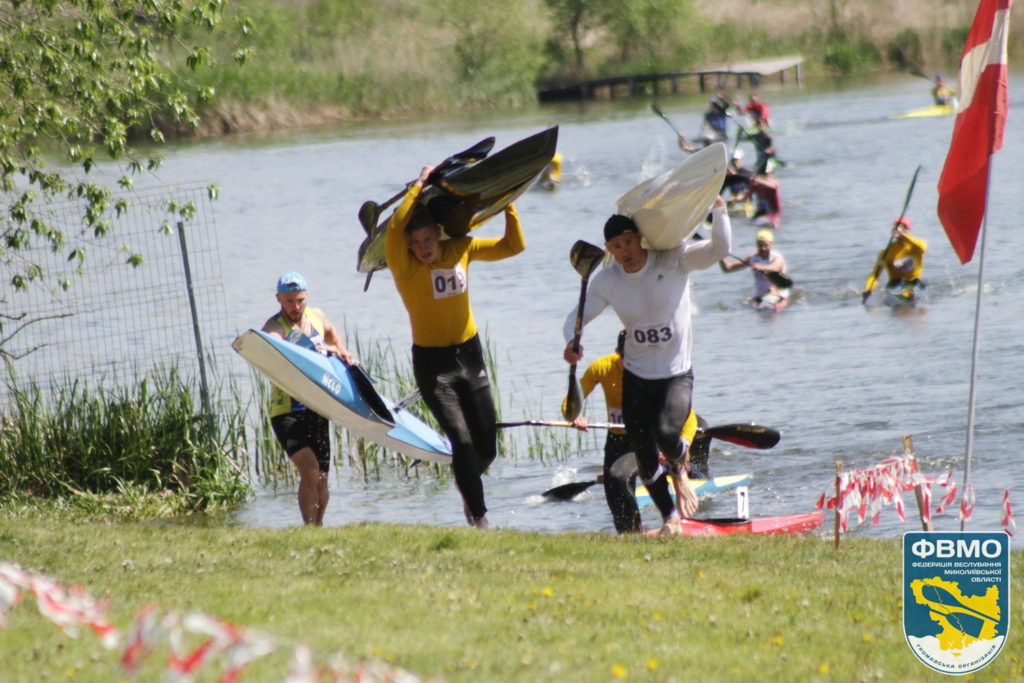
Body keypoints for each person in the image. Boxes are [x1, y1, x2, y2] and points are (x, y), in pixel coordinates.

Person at [561, 196, 731, 535]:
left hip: (676, 374)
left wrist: (719, 210)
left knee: (668, 435)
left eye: (627, 242)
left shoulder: (674, 259)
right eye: (615, 246)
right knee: (644, 455)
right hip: (637, 377)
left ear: (639, 238)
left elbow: (719, 250)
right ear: (609, 249)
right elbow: (576, 317)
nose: (624, 251)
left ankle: (680, 467)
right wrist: (572, 341)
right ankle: (670, 518)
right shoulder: (607, 281)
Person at [385, 165, 525, 529]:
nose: (422, 249)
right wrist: (417, 185)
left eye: (427, 241)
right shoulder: (404, 267)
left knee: (486, 449)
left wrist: (508, 205)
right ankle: (479, 518)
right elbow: (395, 230)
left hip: (470, 355)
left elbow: (514, 246)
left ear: (438, 233)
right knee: (460, 442)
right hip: (433, 366)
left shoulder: (460, 248)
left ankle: (467, 483)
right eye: (415, 244)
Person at [569, 330, 707, 534]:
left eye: (638, 357)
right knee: (615, 483)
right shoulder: (602, 367)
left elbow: (690, 417)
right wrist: (574, 415)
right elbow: (573, 400)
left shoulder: (652, 369)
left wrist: (682, 445)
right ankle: (632, 534)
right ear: (618, 352)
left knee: (618, 475)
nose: (634, 364)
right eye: (628, 358)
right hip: (620, 439)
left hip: (651, 438)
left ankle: (682, 480)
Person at [262, 271, 354, 526]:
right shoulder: (275, 326)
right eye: (289, 301)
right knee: (310, 469)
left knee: (322, 476)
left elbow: (331, 332)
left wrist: (341, 351)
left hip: (317, 406)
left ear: (307, 297)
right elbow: (271, 343)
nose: (295, 306)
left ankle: (318, 526)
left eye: (300, 300)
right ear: (279, 299)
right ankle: (308, 527)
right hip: (286, 412)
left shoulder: (316, 316)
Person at [861, 217, 927, 302]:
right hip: (895, 286)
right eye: (898, 228)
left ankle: (912, 297)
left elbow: (922, 247)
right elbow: (875, 275)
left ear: (909, 231)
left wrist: (903, 235)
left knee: (920, 283)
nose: (901, 231)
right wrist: (868, 289)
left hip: (913, 284)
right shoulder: (886, 252)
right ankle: (905, 299)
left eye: (904, 228)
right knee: (897, 284)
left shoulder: (918, 246)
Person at [720, 229, 789, 307]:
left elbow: (775, 267)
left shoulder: (777, 258)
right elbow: (728, 268)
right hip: (759, 298)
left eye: (765, 245)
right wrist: (719, 255)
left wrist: (761, 267)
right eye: (760, 245)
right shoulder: (752, 258)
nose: (763, 248)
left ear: (771, 244)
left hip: (777, 296)